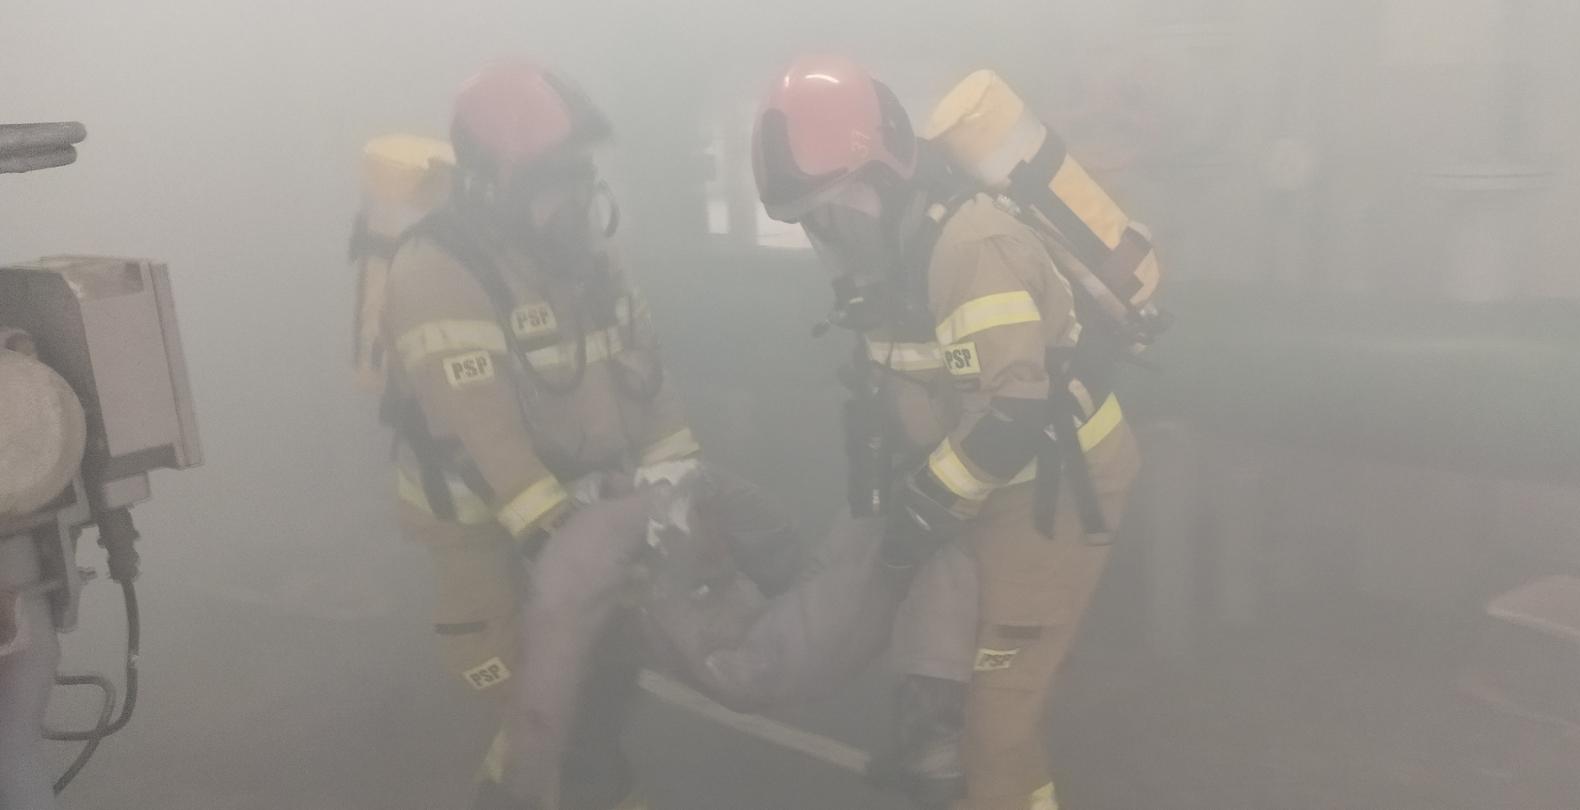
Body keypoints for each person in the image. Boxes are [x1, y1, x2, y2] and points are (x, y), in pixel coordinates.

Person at [751, 55, 1142, 810]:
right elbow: (908, 393)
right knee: (1000, 722)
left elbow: (1013, 415)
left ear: (883, 177)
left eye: (832, 212)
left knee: (993, 727)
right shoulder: (890, 265)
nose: (827, 237)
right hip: (1003, 490)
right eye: (812, 224)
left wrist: (926, 503)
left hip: (1056, 499)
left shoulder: (969, 249)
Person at [376, 60, 698, 810]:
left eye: (581, 174)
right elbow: (485, 439)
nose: (579, 199)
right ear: (496, 185)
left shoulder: (594, 266)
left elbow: (651, 392)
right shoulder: (436, 271)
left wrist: (678, 502)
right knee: (526, 698)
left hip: (580, 515)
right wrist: (567, 543)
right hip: (480, 532)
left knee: (601, 692)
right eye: (556, 179)